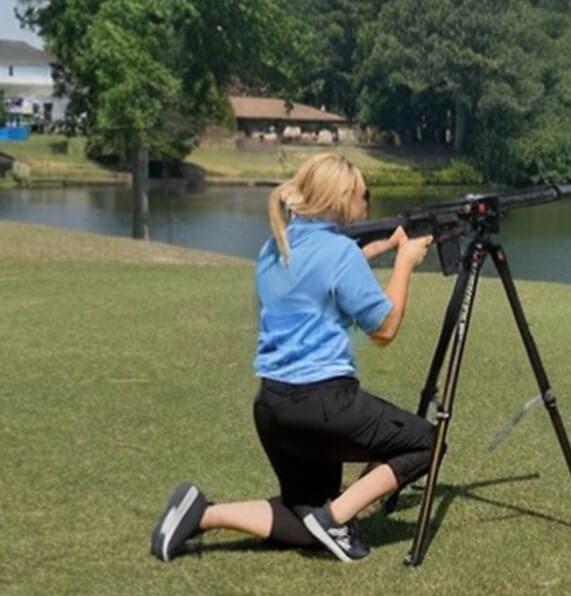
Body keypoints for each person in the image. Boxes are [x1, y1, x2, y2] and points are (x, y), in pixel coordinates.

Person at [150, 152, 435, 563]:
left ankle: (202, 513)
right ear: (342, 198)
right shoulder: (340, 254)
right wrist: (404, 263)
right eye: (364, 194)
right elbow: (384, 329)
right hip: (325, 406)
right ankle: (336, 518)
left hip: (273, 408)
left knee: (304, 523)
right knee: (427, 442)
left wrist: (373, 252)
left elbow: (314, 277)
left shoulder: (275, 246)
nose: (368, 202)